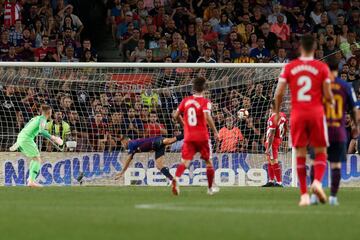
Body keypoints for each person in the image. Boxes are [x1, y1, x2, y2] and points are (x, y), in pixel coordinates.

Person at [274, 34, 334, 206]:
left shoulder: (290, 67)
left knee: (300, 154)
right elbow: (329, 96)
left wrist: (277, 112)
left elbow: (279, 93)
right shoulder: (321, 67)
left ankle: (304, 196)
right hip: (316, 113)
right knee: (321, 152)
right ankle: (316, 183)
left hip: (298, 114)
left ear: (300, 48)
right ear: (314, 49)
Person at [310, 58, 359, 206]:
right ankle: (332, 197)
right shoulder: (345, 86)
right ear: (337, 70)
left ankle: (314, 196)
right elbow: (355, 110)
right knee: (336, 165)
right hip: (338, 131)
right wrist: (356, 126)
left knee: (316, 163)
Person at [172, 77, 219, 196]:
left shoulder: (185, 101)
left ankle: (176, 179)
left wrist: (184, 125)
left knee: (185, 162)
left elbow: (176, 115)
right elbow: (207, 116)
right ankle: (210, 189)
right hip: (202, 136)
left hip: (188, 137)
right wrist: (215, 131)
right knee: (208, 162)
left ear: (193, 87)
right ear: (204, 88)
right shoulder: (205, 101)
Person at [9, 105, 63, 187]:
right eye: (51, 112)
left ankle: (30, 179)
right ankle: (31, 181)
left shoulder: (36, 118)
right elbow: (42, 131)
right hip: (27, 139)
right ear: (49, 112)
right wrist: (54, 138)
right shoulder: (43, 119)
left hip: (21, 136)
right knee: (37, 159)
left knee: (34, 158)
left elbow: (27, 126)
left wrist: (19, 141)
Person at [114, 134, 184, 181]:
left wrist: (122, 172)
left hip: (155, 142)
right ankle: (173, 180)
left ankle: (188, 133)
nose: (122, 145)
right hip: (157, 147)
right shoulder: (133, 144)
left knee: (170, 141)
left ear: (125, 141)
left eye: (122, 143)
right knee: (159, 166)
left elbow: (128, 159)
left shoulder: (130, 144)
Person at [262, 100, 287, 187]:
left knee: (273, 161)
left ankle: (279, 182)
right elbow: (285, 127)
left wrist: (268, 148)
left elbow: (272, 134)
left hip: (271, 142)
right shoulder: (283, 115)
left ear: (272, 107)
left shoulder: (273, 118)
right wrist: (281, 136)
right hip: (276, 140)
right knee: (269, 160)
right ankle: (271, 180)